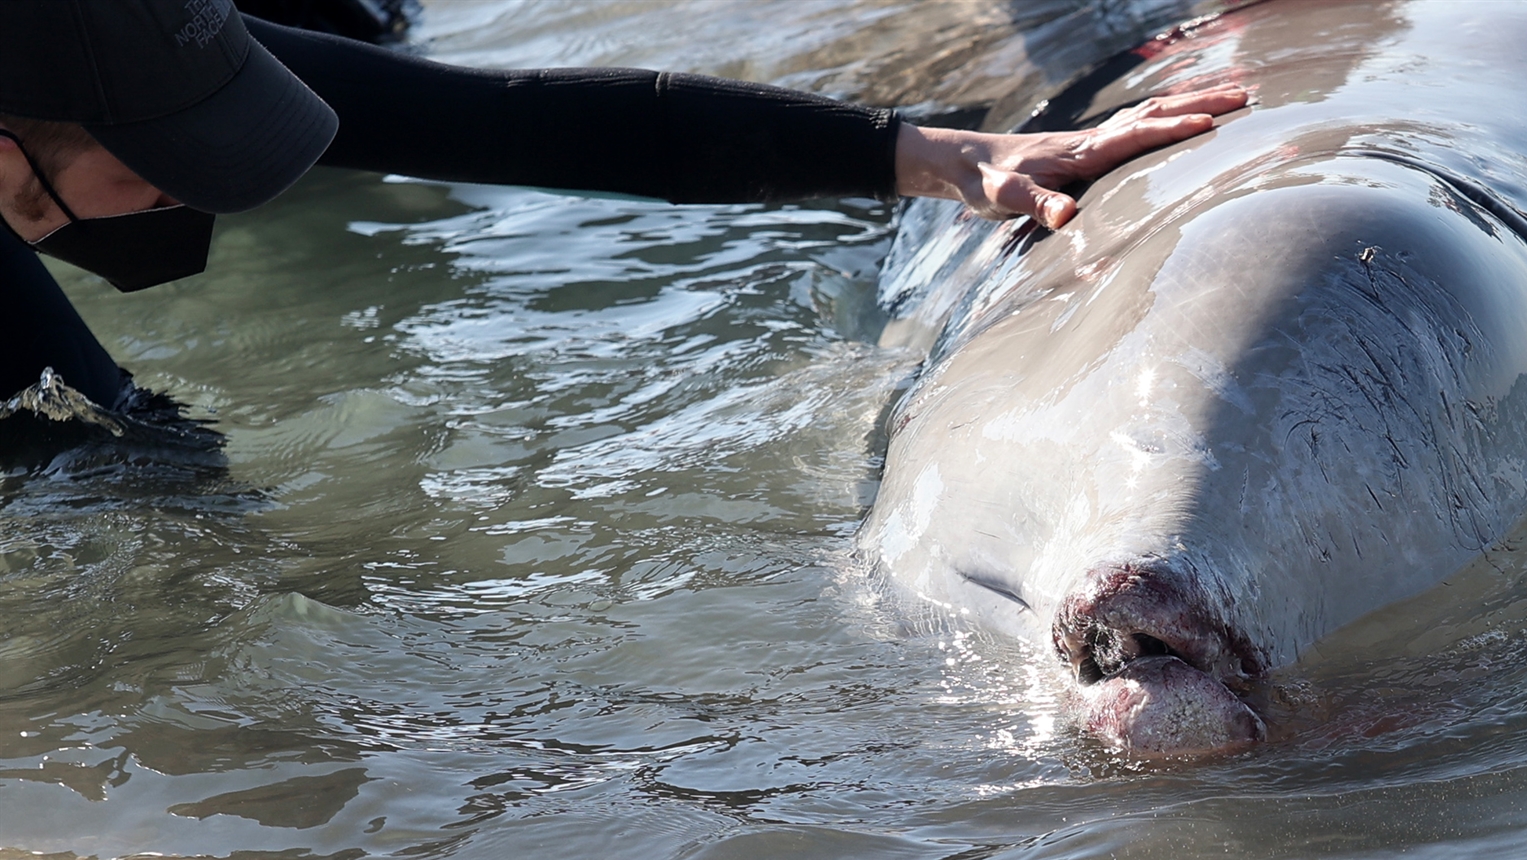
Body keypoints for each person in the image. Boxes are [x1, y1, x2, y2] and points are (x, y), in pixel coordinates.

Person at [0, 0, 1246, 421]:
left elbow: (523, 119)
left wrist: (940, 157)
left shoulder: (107, 40)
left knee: (137, 455)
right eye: (170, 156)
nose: (203, 183)